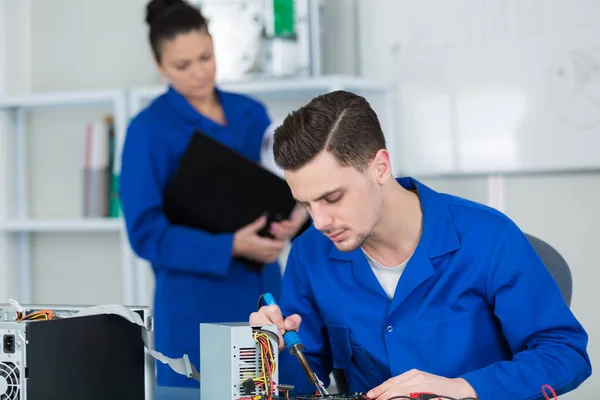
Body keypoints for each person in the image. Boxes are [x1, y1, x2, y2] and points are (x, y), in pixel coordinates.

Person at [249, 90, 592, 399]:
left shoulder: (489, 238)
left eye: (333, 197)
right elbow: (307, 378)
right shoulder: (311, 253)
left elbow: (563, 353)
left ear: (380, 168)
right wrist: (273, 350)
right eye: (307, 204)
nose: (320, 221)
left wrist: (463, 388)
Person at [119, 0, 307, 388]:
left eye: (205, 57)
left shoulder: (251, 112)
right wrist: (231, 246)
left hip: (267, 291)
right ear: (159, 66)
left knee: (276, 387)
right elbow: (145, 232)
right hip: (195, 302)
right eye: (181, 66)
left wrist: (301, 208)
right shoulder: (148, 129)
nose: (199, 73)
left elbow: (285, 179)